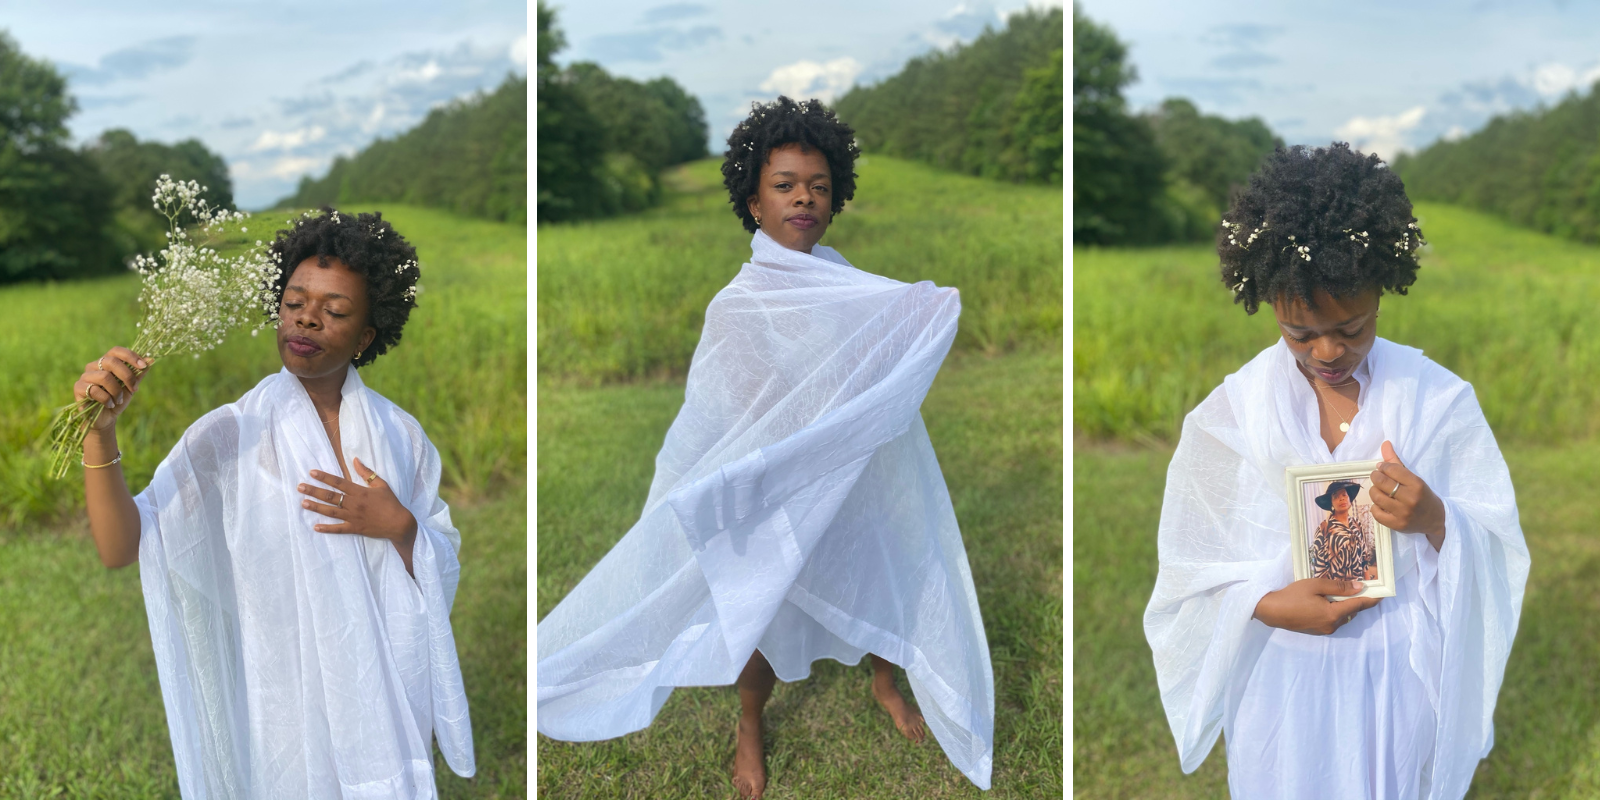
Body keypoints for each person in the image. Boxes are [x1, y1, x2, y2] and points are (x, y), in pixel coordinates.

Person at [536, 97, 995, 799]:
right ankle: (751, 721)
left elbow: (888, 339)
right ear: (754, 203)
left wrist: (919, 314)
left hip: (852, 464)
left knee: (881, 561)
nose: (803, 197)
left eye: (817, 185)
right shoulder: (741, 301)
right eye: (784, 185)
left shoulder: (845, 283)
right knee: (763, 598)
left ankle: (885, 679)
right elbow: (721, 407)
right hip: (777, 476)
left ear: (836, 198)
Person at [1144, 143, 1530, 799]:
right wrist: (1267, 605)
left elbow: (1496, 543)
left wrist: (1436, 519)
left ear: (1383, 290)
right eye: (1302, 333)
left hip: (1397, 672)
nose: (1328, 352)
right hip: (1282, 677)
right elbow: (1187, 570)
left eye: (1352, 327)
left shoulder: (1438, 400)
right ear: (1268, 304)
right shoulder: (1231, 414)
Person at [75, 209, 474, 797]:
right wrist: (98, 433)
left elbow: (441, 560)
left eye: (335, 311)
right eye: (294, 302)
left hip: (382, 691)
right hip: (288, 700)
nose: (308, 318)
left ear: (366, 335)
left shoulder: (400, 435)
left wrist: (402, 527)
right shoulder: (231, 436)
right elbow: (120, 546)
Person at [1309, 480, 1376, 582]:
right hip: (1337, 588)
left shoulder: (1357, 524)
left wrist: (1368, 583)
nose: (1341, 499)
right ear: (1331, 502)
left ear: (1350, 499)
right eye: (1336, 496)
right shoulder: (1324, 528)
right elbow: (1320, 568)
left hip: (1358, 584)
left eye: (1344, 494)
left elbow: (1364, 557)